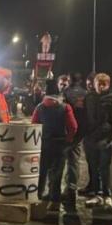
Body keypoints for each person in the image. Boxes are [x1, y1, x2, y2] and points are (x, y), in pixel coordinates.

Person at [32, 79, 78, 211]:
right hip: (60, 144)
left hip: (43, 144)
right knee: (57, 173)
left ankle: (37, 197)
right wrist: (68, 140)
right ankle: (54, 201)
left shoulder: (40, 107)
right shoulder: (65, 107)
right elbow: (73, 127)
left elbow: (34, 125)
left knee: (41, 172)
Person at [83, 73, 112, 209]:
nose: (101, 86)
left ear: (108, 85)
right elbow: (84, 117)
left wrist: (110, 138)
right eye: (99, 83)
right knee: (93, 168)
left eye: (104, 84)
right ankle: (97, 195)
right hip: (90, 138)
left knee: (104, 168)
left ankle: (107, 196)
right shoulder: (88, 97)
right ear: (94, 83)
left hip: (104, 140)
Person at [63, 72, 88, 201]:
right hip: (80, 131)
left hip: (67, 131)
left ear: (70, 80)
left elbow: (63, 113)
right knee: (74, 160)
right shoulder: (85, 93)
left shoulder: (66, 92)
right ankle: (72, 187)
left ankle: (58, 188)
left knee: (61, 160)